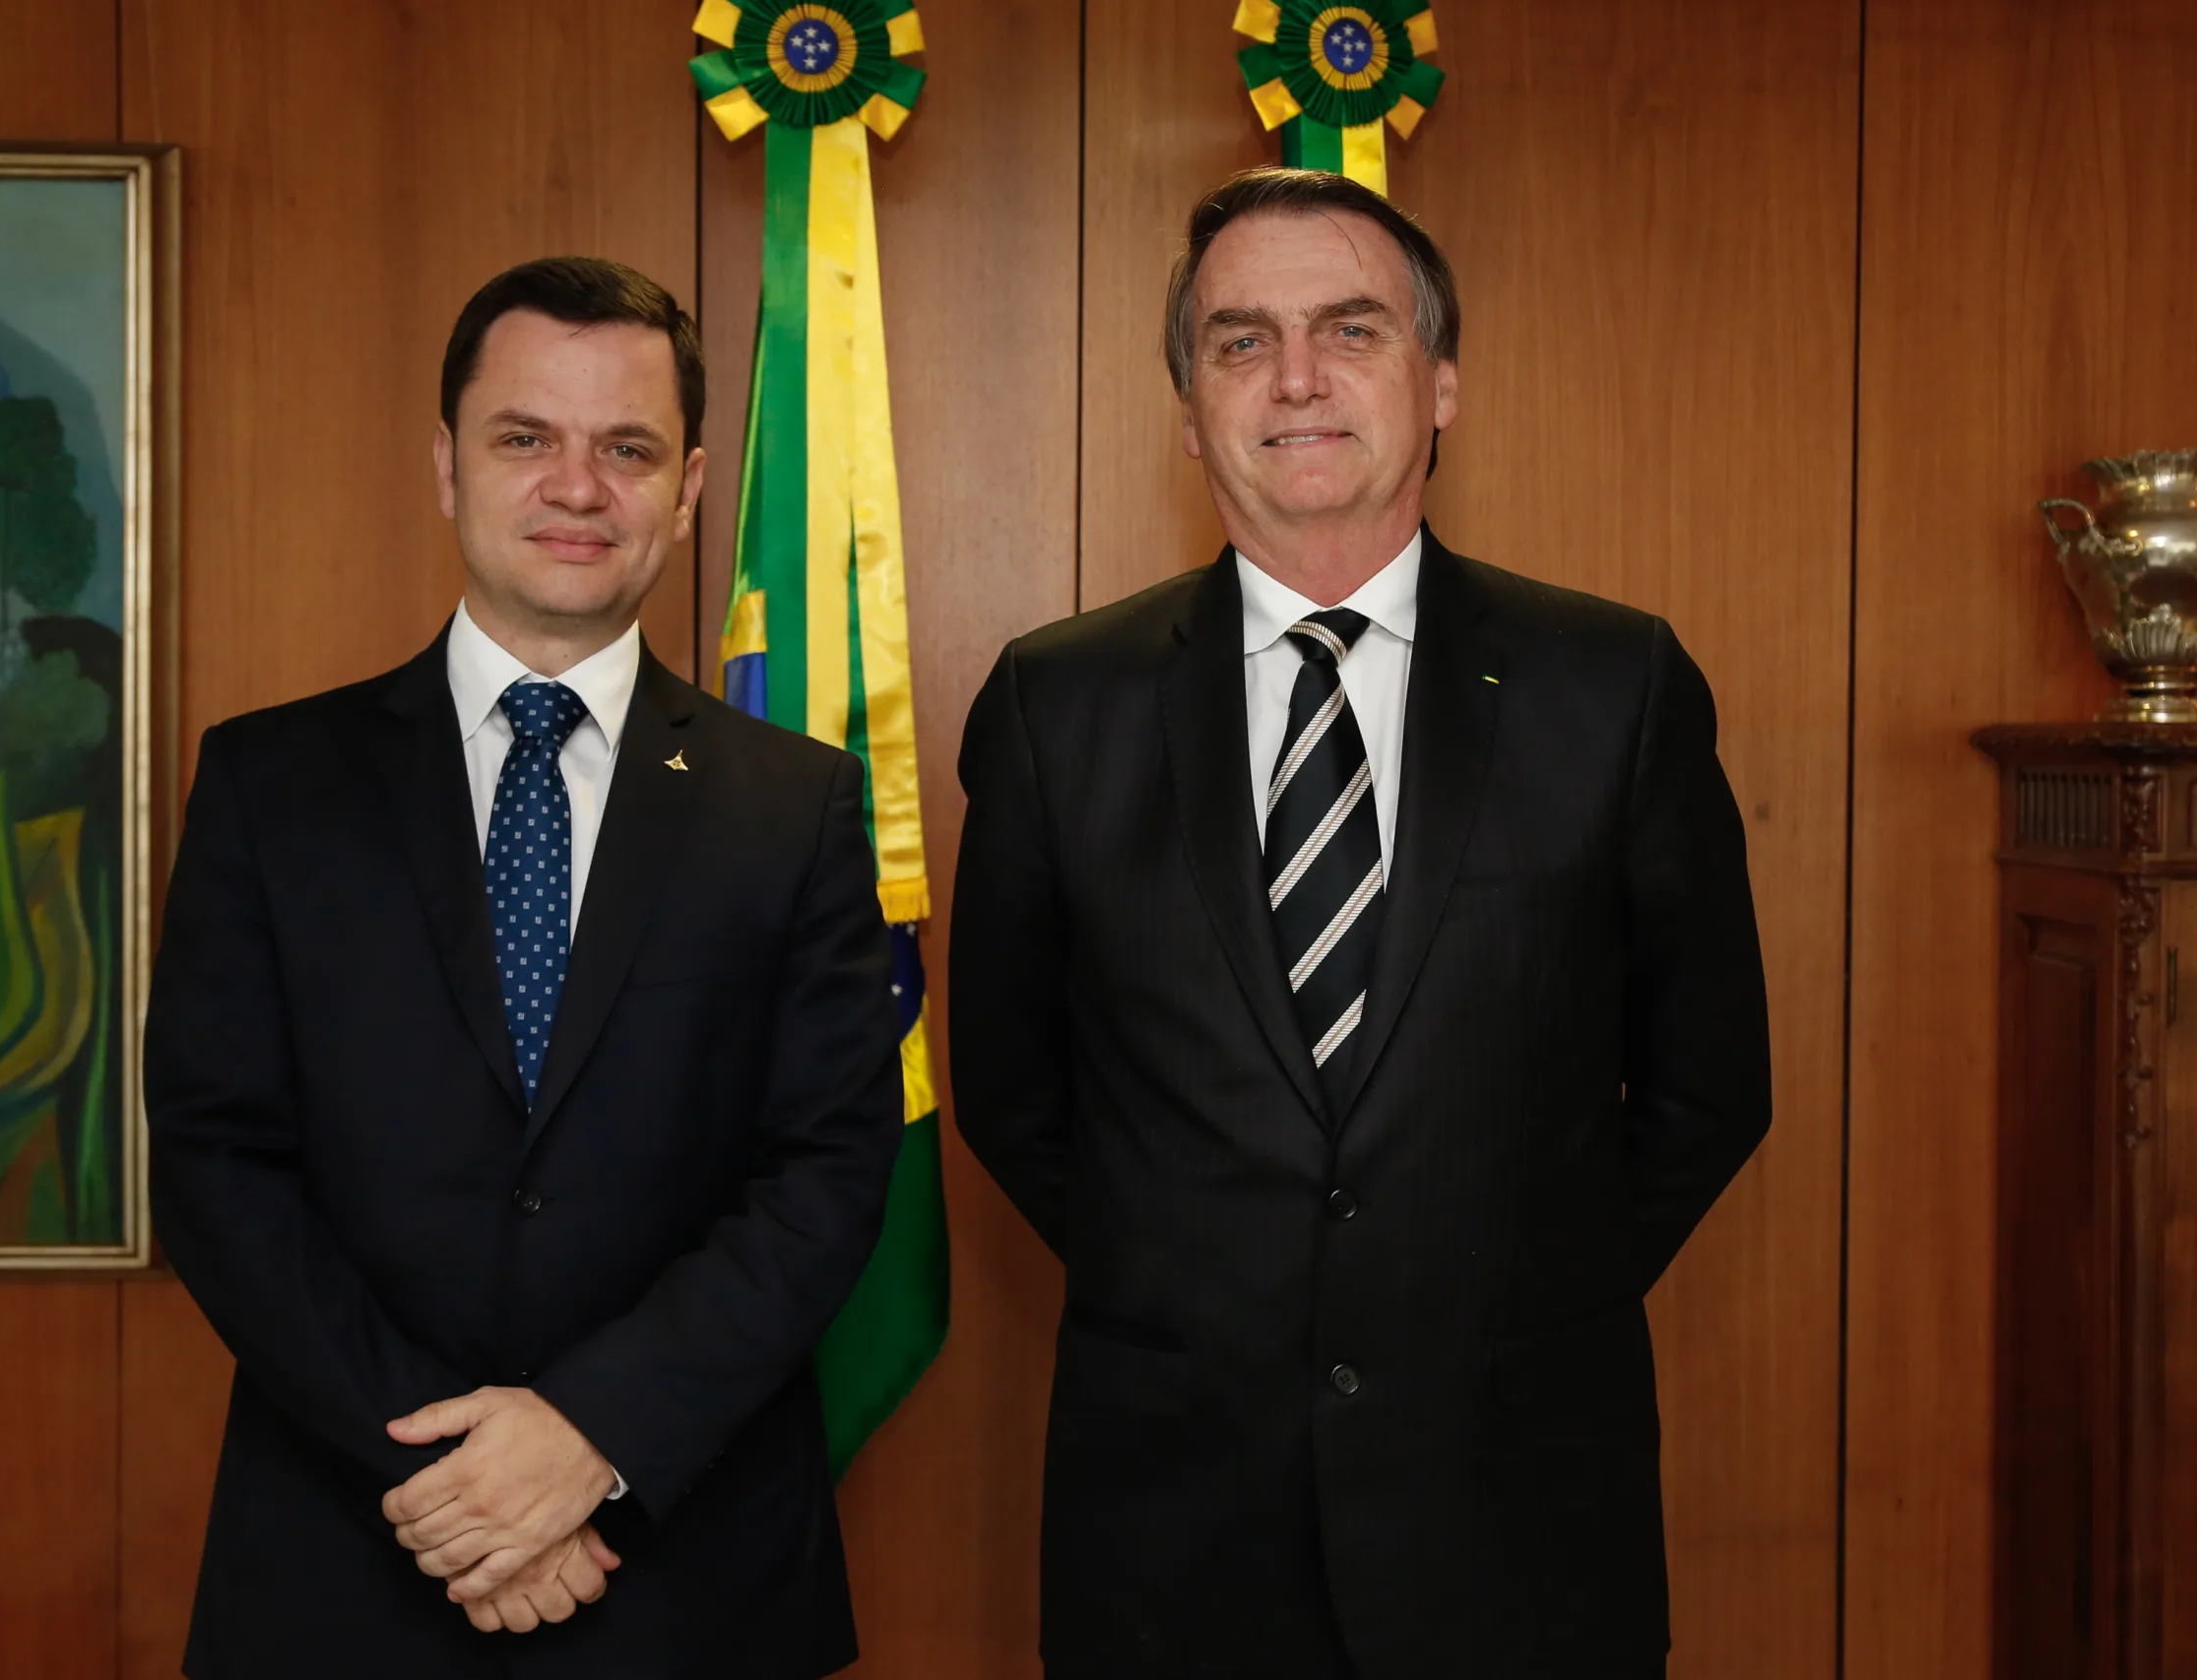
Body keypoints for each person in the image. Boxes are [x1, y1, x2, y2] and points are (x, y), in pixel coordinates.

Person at [950, 168, 1772, 1678]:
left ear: (1440, 378)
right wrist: (1216, 1280)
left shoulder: (1616, 687)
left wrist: (1498, 1289)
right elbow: (1013, 1093)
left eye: (1352, 328)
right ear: (1190, 408)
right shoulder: (1056, 705)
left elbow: (1711, 1085)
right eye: (1241, 341)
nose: (1300, 378)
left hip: (1520, 1514)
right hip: (1174, 1537)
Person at [146, 256, 899, 1679]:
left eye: (627, 448)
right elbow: (216, 1162)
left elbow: (830, 1167)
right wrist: (462, 1488)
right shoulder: (270, 784)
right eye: (524, 438)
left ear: (685, 490)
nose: (577, 485)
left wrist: (592, 1434)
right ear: (446, 466)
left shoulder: (794, 805)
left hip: (690, 1570)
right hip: (350, 1558)